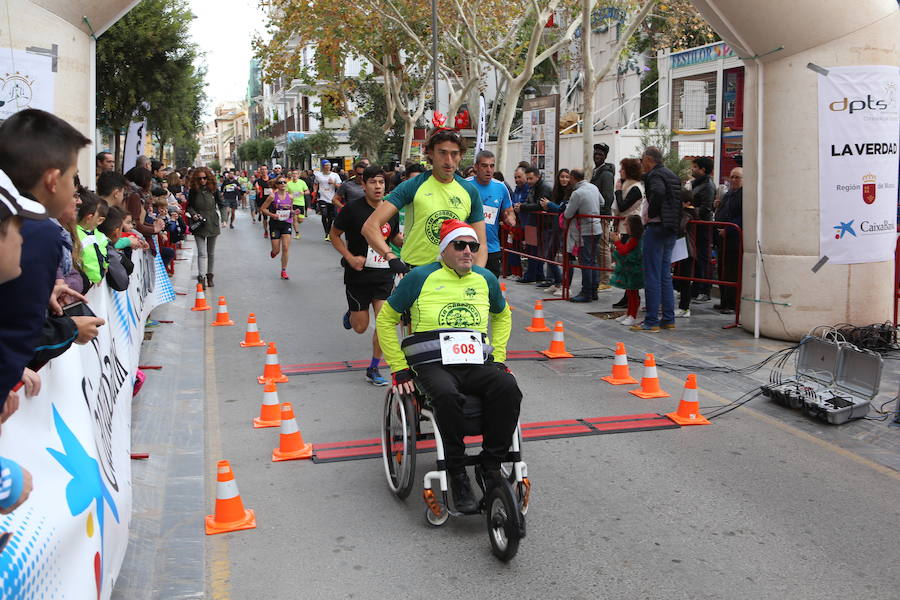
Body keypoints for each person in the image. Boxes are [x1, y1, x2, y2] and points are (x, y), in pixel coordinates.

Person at [375, 219, 521, 512]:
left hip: (474, 361)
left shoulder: (485, 279)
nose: (468, 251)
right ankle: (456, 471)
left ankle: (490, 465)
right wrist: (398, 366)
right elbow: (386, 319)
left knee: (509, 388)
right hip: (432, 364)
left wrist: (501, 358)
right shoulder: (419, 277)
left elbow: (503, 316)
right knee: (446, 396)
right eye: (460, 245)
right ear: (444, 249)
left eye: (473, 246)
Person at [0, 109, 101, 414]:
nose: (77, 194)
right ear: (53, 180)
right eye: (73, 179)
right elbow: (19, 335)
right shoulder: (41, 230)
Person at [362, 128, 486, 271]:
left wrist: (477, 277)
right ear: (430, 153)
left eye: (454, 154)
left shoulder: (469, 191)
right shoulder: (412, 186)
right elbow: (370, 226)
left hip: (454, 277)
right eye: (442, 153)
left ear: (461, 155)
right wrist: (390, 257)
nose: (449, 161)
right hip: (416, 272)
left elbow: (481, 244)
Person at [330, 166, 403, 386]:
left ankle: (373, 368)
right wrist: (350, 257)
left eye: (381, 182)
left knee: (384, 324)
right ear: (364, 185)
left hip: (383, 275)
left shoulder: (391, 210)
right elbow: (334, 235)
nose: (378, 187)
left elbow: (391, 238)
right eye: (373, 182)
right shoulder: (352, 209)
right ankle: (352, 314)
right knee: (361, 327)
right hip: (358, 275)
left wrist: (399, 241)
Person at [631, 146, 681, 332]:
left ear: (649, 159)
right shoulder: (671, 175)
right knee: (664, 275)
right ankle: (668, 318)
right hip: (670, 227)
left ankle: (651, 320)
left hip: (657, 226)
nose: (641, 163)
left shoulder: (654, 176)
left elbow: (658, 193)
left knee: (651, 274)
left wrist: (651, 213)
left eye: (642, 159)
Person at [466, 150, 514, 278]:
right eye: (484, 166)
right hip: (468, 247)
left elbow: (509, 212)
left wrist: (510, 218)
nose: (489, 170)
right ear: (476, 167)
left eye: (492, 166)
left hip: (492, 247)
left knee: (490, 288)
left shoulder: (501, 187)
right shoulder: (465, 185)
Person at [563, 169, 603, 302]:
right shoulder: (593, 187)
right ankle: (594, 290)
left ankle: (586, 292)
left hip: (586, 230)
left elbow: (568, 214)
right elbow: (602, 202)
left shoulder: (577, 193)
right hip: (597, 227)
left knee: (585, 261)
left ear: (574, 178)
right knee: (593, 260)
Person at [611, 158, 646, 308]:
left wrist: (618, 191)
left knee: (628, 264)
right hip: (623, 226)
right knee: (623, 264)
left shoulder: (636, 188)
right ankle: (627, 296)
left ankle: (630, 298)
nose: (619, 172)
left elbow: (623, 206)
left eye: (622, 169)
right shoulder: (628, 185)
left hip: (630, 229)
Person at [536, 168, 571, 293]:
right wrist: (549, 207)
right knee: (549, 256)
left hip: (566, 229)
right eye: (562, 176)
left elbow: (563, 210)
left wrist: (550, 205)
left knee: (567, 259)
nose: (564, 179)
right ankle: (558, 282)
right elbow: (556, 208)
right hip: (556, 227)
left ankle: (565, 286)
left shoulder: (571, 192)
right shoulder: (556, 191)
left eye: (567, 177)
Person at [517, 166, 553, 284]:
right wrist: (522, 205)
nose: (528, 181)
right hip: (532, 222)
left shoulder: (544, 187)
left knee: (537, 251)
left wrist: (522, 207)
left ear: (538, 176)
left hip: (542, 223)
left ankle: (535, 274)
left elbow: (539, 205)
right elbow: (530, 202)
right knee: (532, 249)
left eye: (531, 178)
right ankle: (535, 274)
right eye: (527, 178)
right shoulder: (533, 187)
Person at [186, 167, 222, 288]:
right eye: (200, 178)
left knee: (210, 252)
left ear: (208, 178)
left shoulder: (214, 190)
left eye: (204, 178)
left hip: (212, 223)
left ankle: (210, 275)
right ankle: (201, 277)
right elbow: (189, 207)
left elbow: (221, 204)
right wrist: (194, 214)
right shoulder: (193, 191)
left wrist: (225, 219)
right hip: (199, 225)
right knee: (202, 252)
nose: (202, 180)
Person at [714, 167, 743, 314]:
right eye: (732, 177)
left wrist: (729, 230)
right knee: (722, 269)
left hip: (734, 239)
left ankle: (731, 303)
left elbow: (742, 217)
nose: (733, 180)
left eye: (737, 177)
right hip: (722, 239)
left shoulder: (744, 195)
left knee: (731, 271)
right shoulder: (729, 193)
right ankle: (724, 300)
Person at [259, 175, 297, 280]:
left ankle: (283, 270)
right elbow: (263, 209)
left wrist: (294, 212)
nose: (283, 184)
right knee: (276, 251)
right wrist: (273, 215)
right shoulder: (272, 196)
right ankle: (274, 252)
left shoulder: (291, 197)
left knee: (285, 247)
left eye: (285, 182)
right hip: (275, 224)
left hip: (286, 223)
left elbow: (291, 210)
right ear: (276, 185)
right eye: (280, 182)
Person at [689, 156, 716, 303]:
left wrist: (690, 210)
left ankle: (705, 290)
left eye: (695, 167)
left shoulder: (707, 186)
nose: (692, 169)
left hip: (703, 226)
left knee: (703, 258)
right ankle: (696, 288)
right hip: (695, 225)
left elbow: (706, 207)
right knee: (696, 258)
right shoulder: (697, 184)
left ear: (702, 169)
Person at [610, 215, 644, 326]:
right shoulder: (632, 238)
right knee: (630, 292)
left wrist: (617, 241)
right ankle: (629, 313)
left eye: (626, 224)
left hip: (634, 270)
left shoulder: (634, 239)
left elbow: (624, 250)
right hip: (630, 268)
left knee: (633, 293)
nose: (625, 226)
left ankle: (632, 315)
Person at [674, 189, 699, 318]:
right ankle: (683, 306)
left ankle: (684, 307)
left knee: (685, 279)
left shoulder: (687, 214)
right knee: (683, 278)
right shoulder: (689, 213)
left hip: (686, 249)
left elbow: (680, 227)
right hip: (684, 249)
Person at [314, 160, 341, 241]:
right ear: (323, 166)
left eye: (329, 165)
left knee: (331, 217)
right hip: (322, 198)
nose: (328, 166)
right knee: (324, 214)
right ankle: (327, 232)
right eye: (326, 165)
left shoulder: (335, 175)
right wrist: (315, 191)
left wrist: (333, 183)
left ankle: (328, 233)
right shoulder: (318, 175)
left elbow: (340, 187)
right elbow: (315, 183)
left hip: (332, 199)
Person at [286, 169, 310, 238]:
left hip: (301, 203)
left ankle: (297, 225)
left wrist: (303, 193)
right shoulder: (288, 184)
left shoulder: (302, 182)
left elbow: (308, 191)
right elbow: (286, 193)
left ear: (298, 175)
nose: (294, 175)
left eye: (296, 174)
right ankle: (297, 233)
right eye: (293, 174)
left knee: (300, 220)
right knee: (294, 219)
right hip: (292, 203)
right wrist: (289, 197)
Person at [254, 165, 272, 236]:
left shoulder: (271, 180)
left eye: (265, 169)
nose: (263, 171)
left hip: (271, 200)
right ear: (260, 171)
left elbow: (275, 189)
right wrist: (257, 189)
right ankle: (266, 230)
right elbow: (257, 192)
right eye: (262, 169)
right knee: (265, 218)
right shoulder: (258, 181)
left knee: (272, 216)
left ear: (267, 170)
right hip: (263, 201)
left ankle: (272, 228)